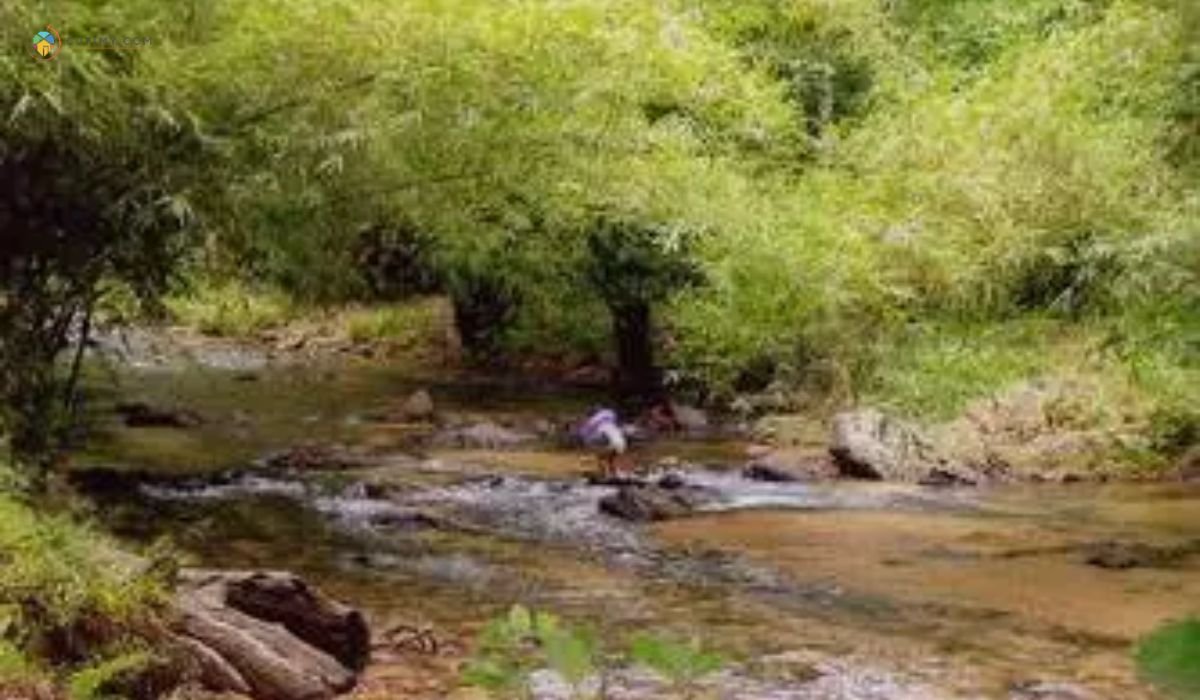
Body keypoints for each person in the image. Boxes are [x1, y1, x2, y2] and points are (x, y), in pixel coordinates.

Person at [578, 408, 629, 477]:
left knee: (600, 457)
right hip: (622, 443)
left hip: (613, 443)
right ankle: (614, 473)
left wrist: (587, 440)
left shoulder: (595, 425)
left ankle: (605, 474)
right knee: (610, 459)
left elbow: (595, 438)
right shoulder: (609, 421)